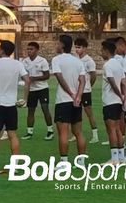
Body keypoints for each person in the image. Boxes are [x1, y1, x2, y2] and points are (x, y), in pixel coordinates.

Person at [0, 40, 29, 175]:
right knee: (13, 135)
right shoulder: (18, 64)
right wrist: (24, 99)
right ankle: (15, 166)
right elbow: (28, 80)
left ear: (2, 50)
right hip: (11, 105)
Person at [51, 35, 87, 165]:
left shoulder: (56, 60)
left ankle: (63, 163)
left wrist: (72, 94)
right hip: (76, 101)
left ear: (62, 45)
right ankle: (81, 161)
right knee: (78, 132)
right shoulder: (77, 61)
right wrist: (79, 96)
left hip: (63, 100)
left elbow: (60, 78)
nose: (56, 45)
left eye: (57, 43)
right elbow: (83, 80)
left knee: (63, 133)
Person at [100, 41, 126, 164]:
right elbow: (123, 82)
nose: (101, 53)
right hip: (118, 102)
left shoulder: (107, 65)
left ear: (106, 51)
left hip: (110, 101)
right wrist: (123, 97)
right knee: (118, 130)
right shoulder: (118, 64)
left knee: (111, 130)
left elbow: (112, 82)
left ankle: (114, 158)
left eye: (102, 51)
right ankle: (121, 157)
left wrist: (119, 96)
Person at [20, 41, 54, 141]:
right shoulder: (25, 61)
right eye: (28, 49)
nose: (29, 51)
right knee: (30, 110)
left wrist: (33, 78)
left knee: (45, 109)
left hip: (42, 89)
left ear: (37, 50)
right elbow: (23, 76)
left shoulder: (42, 61)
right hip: (31, 90)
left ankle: (50, 131)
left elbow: (47, 75)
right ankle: (29, 132)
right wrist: (25, 79)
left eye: (31, 49)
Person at [74, 38, 99, 144]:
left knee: (89, 113)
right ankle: (76, 134)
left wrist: (89, 86)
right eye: (76, 47)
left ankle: (95, 135)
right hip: (76, 90)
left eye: (79, 47)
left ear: (84, 48)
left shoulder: (89, 61)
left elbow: (93, 76)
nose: (77, 50)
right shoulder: (76, 60)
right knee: (76, 113)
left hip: (86, 91)